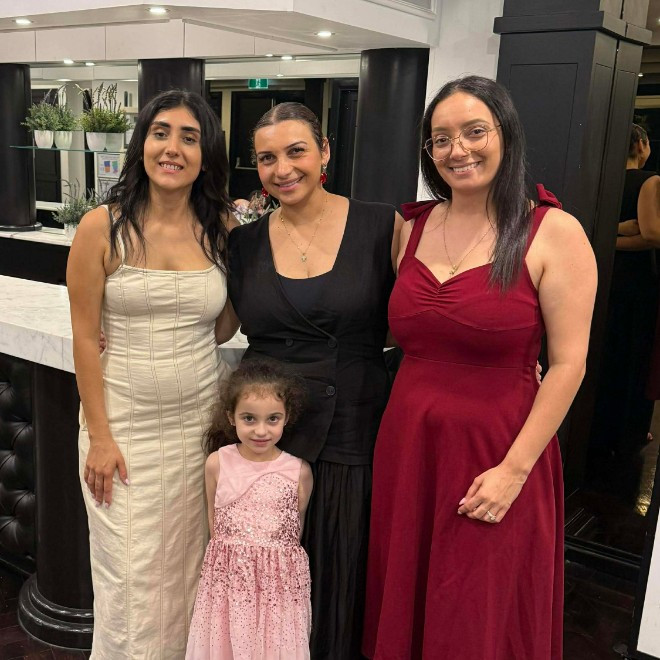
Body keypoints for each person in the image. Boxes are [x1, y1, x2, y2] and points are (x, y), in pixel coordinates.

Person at [363, 75, 597, 659]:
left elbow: (568, 365)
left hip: (499, 449)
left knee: (477, 610)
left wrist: (513, 471)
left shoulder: (552, 231)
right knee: (411, 597)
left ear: (505, 135)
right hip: (409, 445)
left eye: (474, 132)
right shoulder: (410, 227)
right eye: (441, 139)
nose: (458, 150)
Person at [227, 102, 403, 658]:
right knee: (264, 579)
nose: (282, 169)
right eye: (267, 158)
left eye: (296, 151)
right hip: (266, 434)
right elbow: (215, 322)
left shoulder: (383, 225)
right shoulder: (243, 243)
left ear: (325, 151)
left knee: (339, 571)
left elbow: (424, 310)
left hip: (352, 427)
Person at [67, 89, 237, 658]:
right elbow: (84, 339)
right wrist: (100, 437)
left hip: (197, 432)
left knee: (190, 573)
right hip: (122, 432)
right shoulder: (101, 227)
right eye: (161, 133)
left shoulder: (221, 228)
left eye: (189, 138)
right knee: (129, 579)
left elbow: (220, 328)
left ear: (206, 156)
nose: (172, 148)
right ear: (141, 144)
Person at [186, 360, 313, 659]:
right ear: (231, 417)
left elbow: (295, 532)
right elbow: (214, 524)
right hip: (229, 585)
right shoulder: (217, 463)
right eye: (249, 418)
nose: (261, 430)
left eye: (272, 419)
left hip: (277, 590)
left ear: (286, 417)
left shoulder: (298, 471)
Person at [588, 124, 660, 499]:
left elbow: (593, 231)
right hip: (638, 283)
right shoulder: (650, 180)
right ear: (642, 145)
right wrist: (627, 230)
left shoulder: (601, 181)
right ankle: (628, 432)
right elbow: (653, 234)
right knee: (634, 355)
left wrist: (607, 236)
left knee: (606, 352)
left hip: (606, 277)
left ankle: (600, 431)